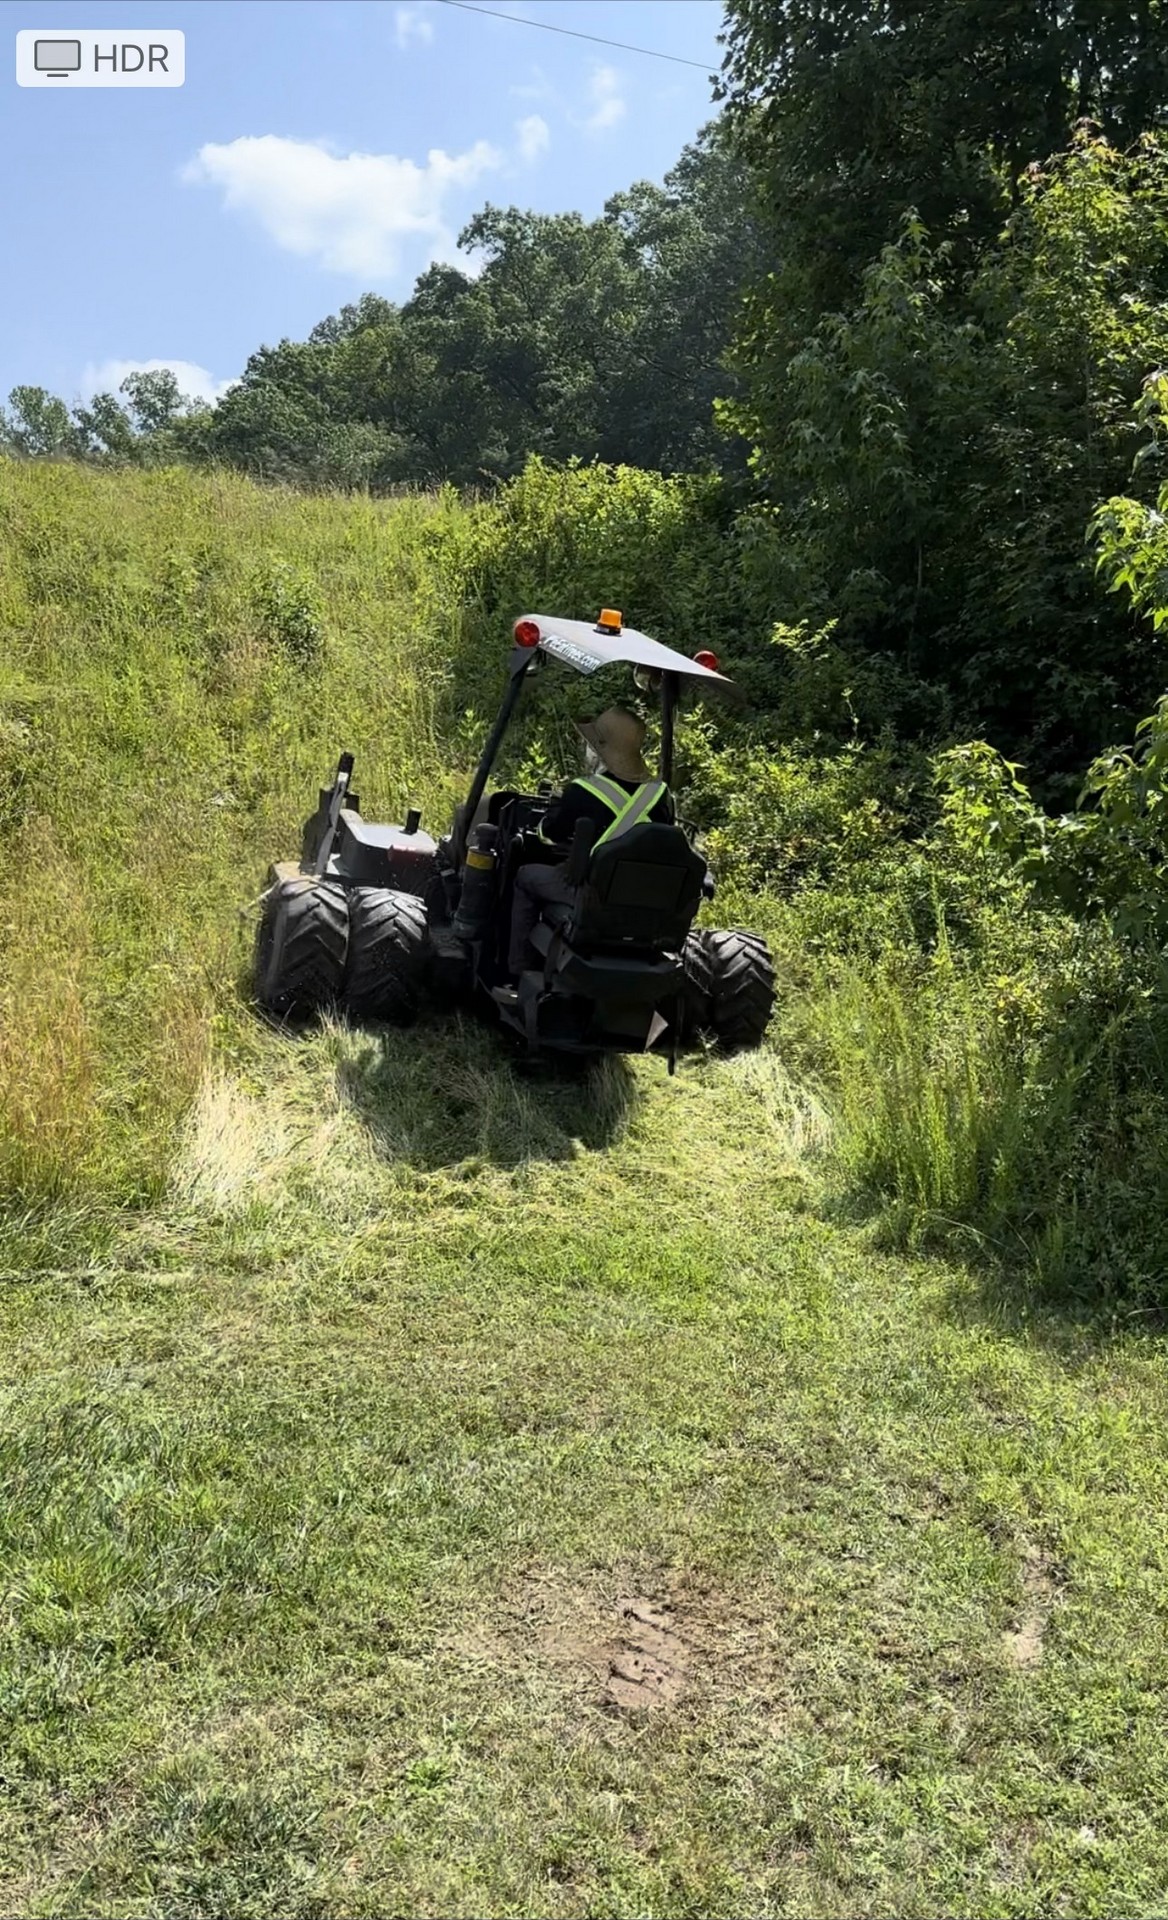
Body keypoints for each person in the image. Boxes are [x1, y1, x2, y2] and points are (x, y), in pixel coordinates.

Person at [506, 706, 674, 978]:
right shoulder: (662, 796)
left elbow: (548, 834)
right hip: (645, 902)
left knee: (526, 877)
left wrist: (552, 816)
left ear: (600, 749)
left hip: (591, 896)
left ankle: (518, 970)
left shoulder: (583, 790)